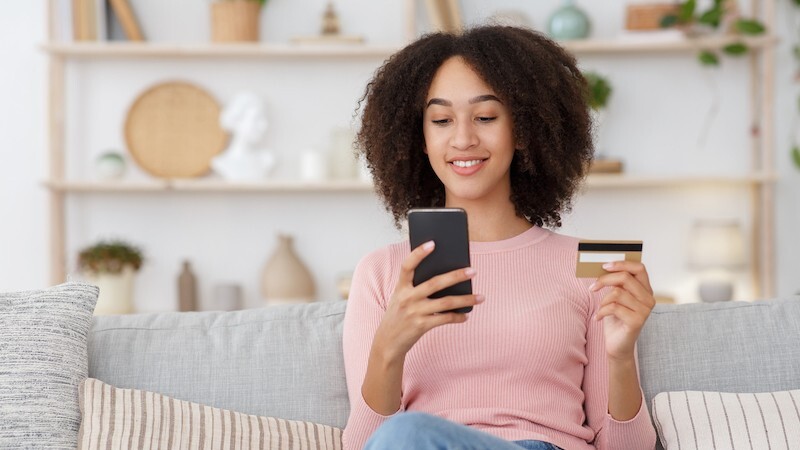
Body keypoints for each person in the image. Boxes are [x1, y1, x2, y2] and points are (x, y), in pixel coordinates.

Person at [342, 25, 657, 450]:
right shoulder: (381, 273)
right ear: (420, 138)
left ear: (524, 129)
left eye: (486, 117)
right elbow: (365, 444)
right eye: (441, 120)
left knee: (407, 433)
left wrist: (620, 357)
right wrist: (388, 349)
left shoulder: (591, 264)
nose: (463, 139)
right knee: (405, 435)